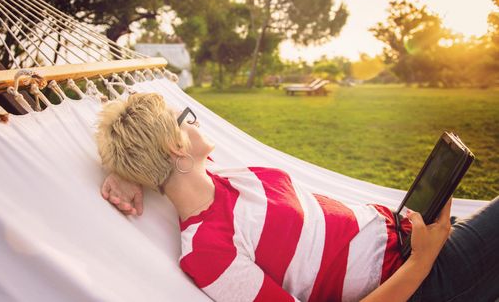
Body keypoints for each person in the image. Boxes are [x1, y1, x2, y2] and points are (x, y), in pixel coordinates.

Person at [94, 92, 499, 302]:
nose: (197, 119)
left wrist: (126, 171)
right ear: (175, 147)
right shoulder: (207, 252)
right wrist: (424, 261)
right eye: (186, 119)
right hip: (418, 281)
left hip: (410, 236)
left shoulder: (225, 179)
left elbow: (137, 123)